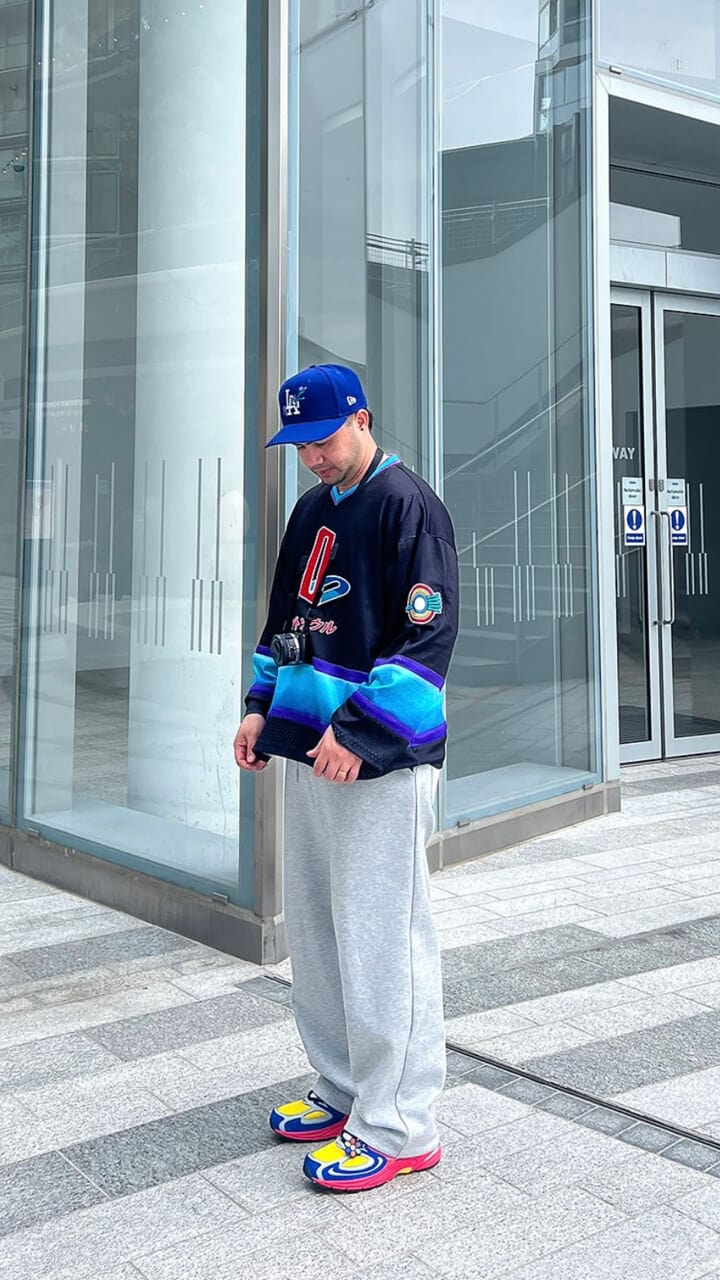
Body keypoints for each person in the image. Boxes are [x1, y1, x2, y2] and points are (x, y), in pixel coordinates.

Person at [234, 363, 459, 1193]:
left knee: (382, 937)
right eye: (299, 446)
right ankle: (344, 1086)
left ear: (362, 419)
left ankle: (400, 1123)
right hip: (309, 752)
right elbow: (287, 626)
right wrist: (263, 707)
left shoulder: (410, 506)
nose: (312, 459)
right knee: (324, 931)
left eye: (323, 441)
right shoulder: (309, 510)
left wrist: (361, 732)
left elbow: (426, 642)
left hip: (380, 762)